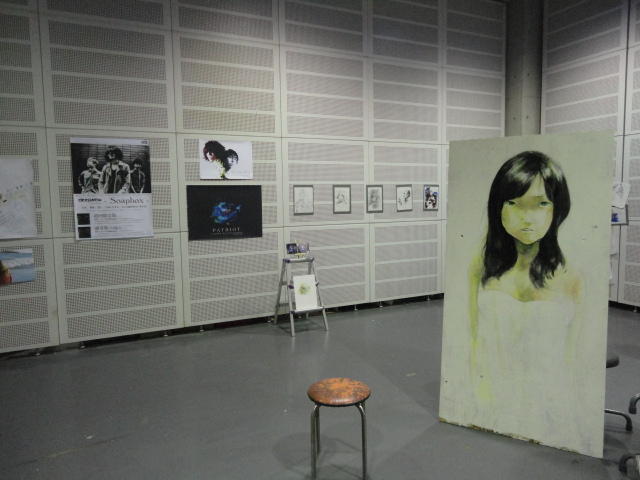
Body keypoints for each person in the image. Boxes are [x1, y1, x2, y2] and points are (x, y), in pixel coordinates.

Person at [467, 150, 583, 442]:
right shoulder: (481, 268)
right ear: (498, 207)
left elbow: (573, 356)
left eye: (541, 203)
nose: (527, 217)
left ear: (558, 208)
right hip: (491, 400)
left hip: (551, 406)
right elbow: (472, 337)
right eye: (514, 203)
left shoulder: (571, 276)